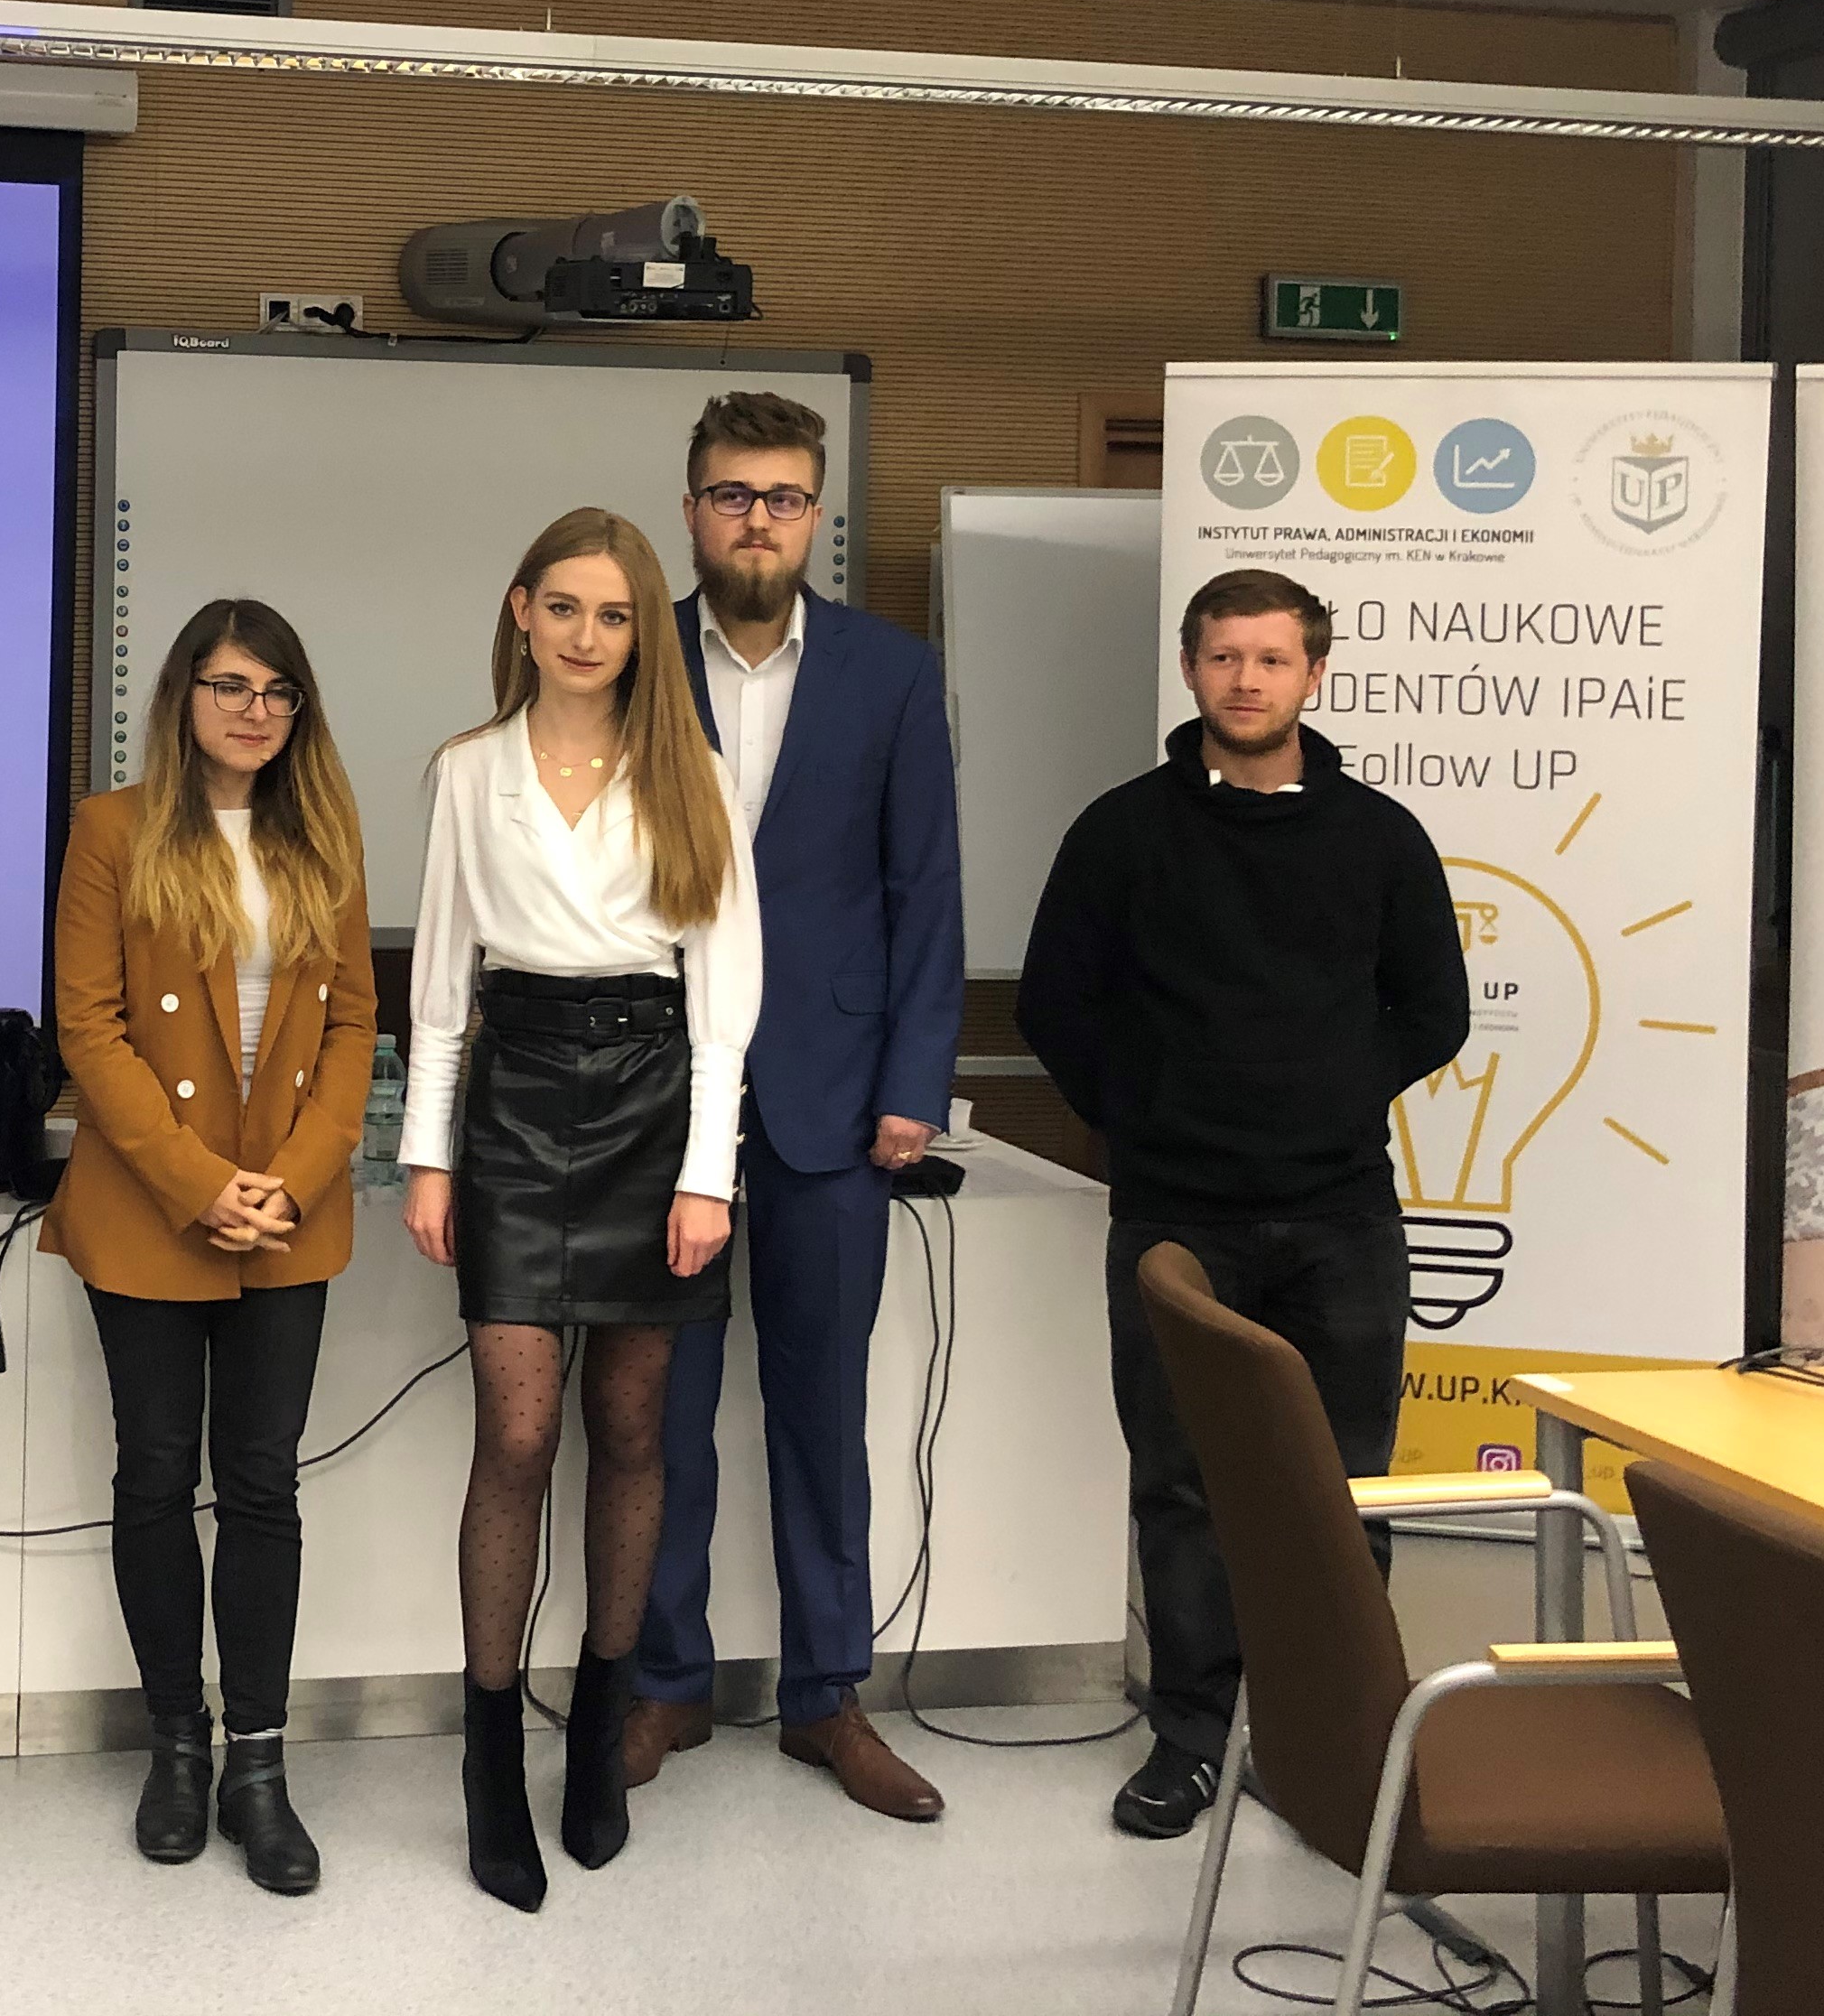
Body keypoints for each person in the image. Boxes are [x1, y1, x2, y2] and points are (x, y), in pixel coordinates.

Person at [1015, 566, 1467, 1840]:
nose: (1247, 681)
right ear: (1191, 669)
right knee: (1183, 1491)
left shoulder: (1379, 836)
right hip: (1175, 1220)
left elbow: (1435, 1010)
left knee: (1343, 1493)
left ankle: (1341, 1742)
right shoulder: (1121, 832)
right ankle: (1192, 1739)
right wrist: (1147, 1112)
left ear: (1314, 673)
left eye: (1272, 659)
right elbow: (1053, 1003)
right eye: (1224, 657)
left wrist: (1326, 1094)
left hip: (1340, 1218)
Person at [402, 506, 757, 1913]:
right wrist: (429, 1156)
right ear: (522, 612)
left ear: (640, 631)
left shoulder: (694, 776)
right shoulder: (465, 770)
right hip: (513, 1102)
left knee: (631, 1428)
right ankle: (491, 1752)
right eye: (564, 608)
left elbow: (725, 995)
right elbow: (442, 985)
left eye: (614, 615)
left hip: (655, 1106)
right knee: (519, 1431)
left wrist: (708, 1173)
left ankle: (599, 1731)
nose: (588, 636)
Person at [631, 391, 964, 1824]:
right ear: (691, 510)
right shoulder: (628, 660)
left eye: (781, 497)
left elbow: (924, 888)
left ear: (815, 514)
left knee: (824, 1414)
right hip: (658, 1103)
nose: (756, 520)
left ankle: (829, 1697)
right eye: (731, 495)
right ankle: (664, 1684)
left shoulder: (891, 672)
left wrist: (913, 1084)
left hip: (838, 1103)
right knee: (662, 1417)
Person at [48, 598, 376, 1898]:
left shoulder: (325, 836)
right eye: (231, 685)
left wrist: (288, 1182)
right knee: (152, 1476)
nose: (255, 712)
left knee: (261, 1486)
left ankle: (258, 1768)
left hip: (286, 1213)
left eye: (279, 691)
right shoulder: (112, 830)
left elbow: (354, 1028)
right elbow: (89, 1030)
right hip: (148, 1206)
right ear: (183, 694)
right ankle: (175, 1750)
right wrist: (200, 1185)